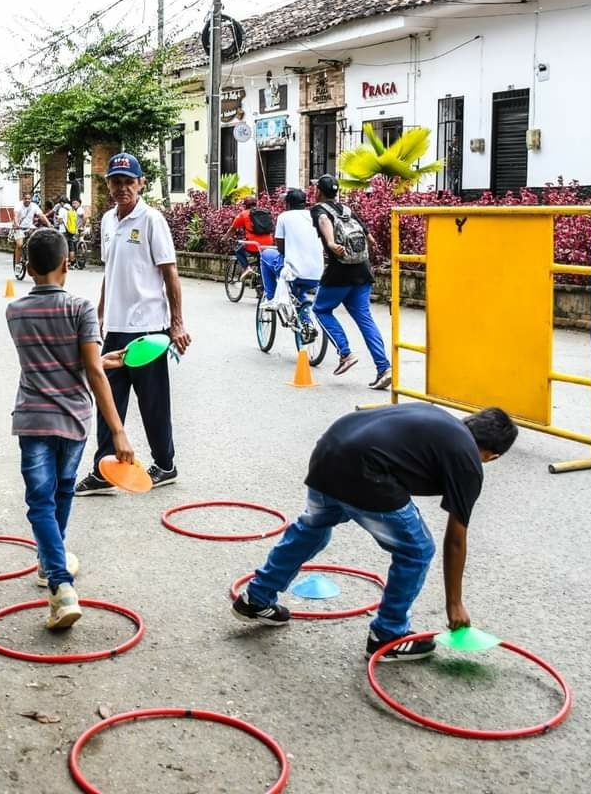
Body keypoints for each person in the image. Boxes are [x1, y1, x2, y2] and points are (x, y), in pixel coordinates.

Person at [233, 404, 518, 662]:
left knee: (313, 530)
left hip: (329, 451)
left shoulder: (438, 420)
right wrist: (454, 603)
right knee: (417, 550)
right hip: (365, 471)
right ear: (492, 456)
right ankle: (389, 635)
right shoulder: (467, 458)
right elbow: (455, 539)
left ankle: (256, 598)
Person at [7, 227, 135, 629]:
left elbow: (57, 357)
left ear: (27, 268)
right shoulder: (81, 309)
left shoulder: (15, 311)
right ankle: (58, 576)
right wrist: (117, 431)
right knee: (62, 492)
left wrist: (101, 360)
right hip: (74, 421)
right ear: (68, 263)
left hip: (33, 418)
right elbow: (90, 370)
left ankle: (54, 574)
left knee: (40, 502)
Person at [75, 152, 191, 496]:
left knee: (153, 401)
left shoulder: (152, 220)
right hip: (114, 328)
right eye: (116, 181)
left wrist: (177, 324)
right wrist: (97, 316)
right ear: (107, 184)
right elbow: (110, 275)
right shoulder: (108, 221)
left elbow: (170, 272)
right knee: (108, 400)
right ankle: (104, 466)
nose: (122, 187)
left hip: (148, 329)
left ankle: (165, 464)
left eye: (128, 181)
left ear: (141, 183)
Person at [312, 175, 391, 390]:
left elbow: (323, 222)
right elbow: (369, 237)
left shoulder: (319, 209)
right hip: (362, 271)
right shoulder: (346, 209)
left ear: (318, 191)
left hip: (339, 272)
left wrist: (330, 242)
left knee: (320, 309)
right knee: (365, 319)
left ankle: (345, 353)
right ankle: (384, 368)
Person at [264, 188, 324, 316]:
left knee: (265, 255)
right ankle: (307, 327)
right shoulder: (315, 215)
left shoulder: (284, 217)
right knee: (298, 294)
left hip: (295, 272)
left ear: (288, 204)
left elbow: (280, 248)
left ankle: (271, 297)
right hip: (317, 273)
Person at [228, 196, 275, 278]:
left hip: (253, 245)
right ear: (256, 204)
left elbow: (232, 229)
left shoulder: (243, 214)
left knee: (238, 249)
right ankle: (261, 282)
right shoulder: (265, 212)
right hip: (268, 244)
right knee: (262, 259)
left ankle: (247, 268)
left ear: (245, 205)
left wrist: (224, 238)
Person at [11, 195, 48, 270]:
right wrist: (17, 224)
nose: (27, 200)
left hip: (29, 227)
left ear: (31, 199)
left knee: (38, 240)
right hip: (19, 227)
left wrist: (49, 224)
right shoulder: (18, 205)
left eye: (29, 199)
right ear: (23, 199)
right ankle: (17, 264)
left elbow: (41, 216)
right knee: (20, 245)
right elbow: (15, 216)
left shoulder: (34, 206)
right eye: (25, 198)